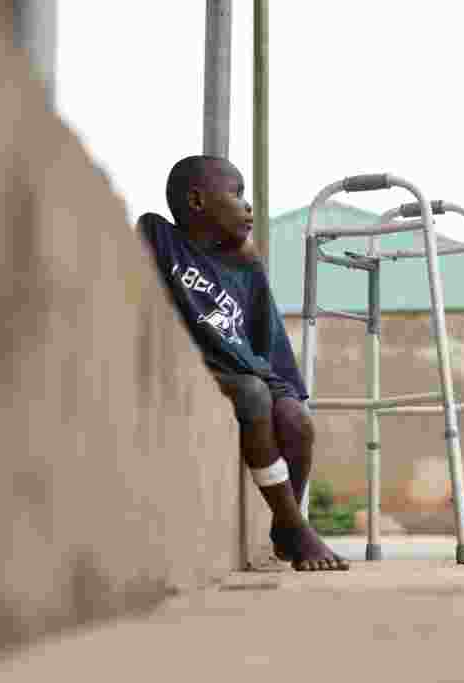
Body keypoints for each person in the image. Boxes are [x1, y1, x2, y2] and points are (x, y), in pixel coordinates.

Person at [136, 155, 349, 572]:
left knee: (297, 422)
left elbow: (267, 341)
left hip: (246, 367)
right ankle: (296, 526)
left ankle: (285, 527)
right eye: (237, 194)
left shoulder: (244, 268)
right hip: (203, 368)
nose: (248, 207)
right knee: (252, 394)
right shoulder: (159, 236)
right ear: (197, 201)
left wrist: (287, 390)